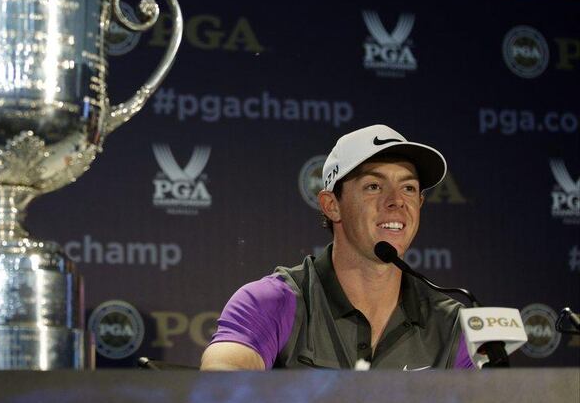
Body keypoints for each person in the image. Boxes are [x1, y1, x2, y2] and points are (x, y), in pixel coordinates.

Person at [200, 124, 474, 370]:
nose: (397, 201)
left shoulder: (451, 325)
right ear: (332, 205)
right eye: (374, 186)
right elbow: (220, 387)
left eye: (409, 188)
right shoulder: (272, 301)